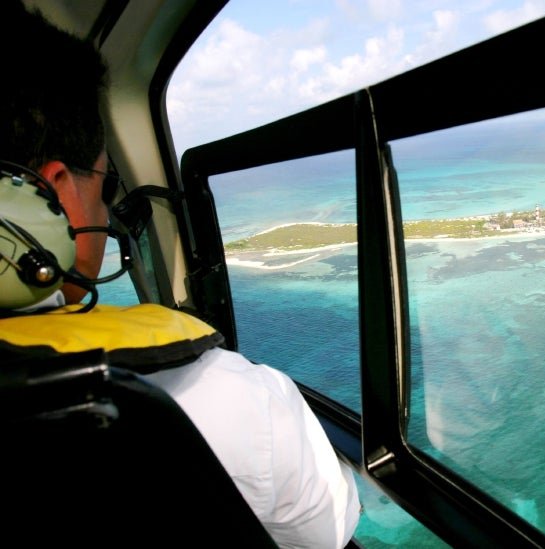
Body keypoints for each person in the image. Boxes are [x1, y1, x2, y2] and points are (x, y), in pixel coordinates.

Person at [0, 2, 360, 547]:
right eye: (105, 182)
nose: (106, 209)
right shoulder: (220, 401)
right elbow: (330, 530)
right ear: (55, 191)